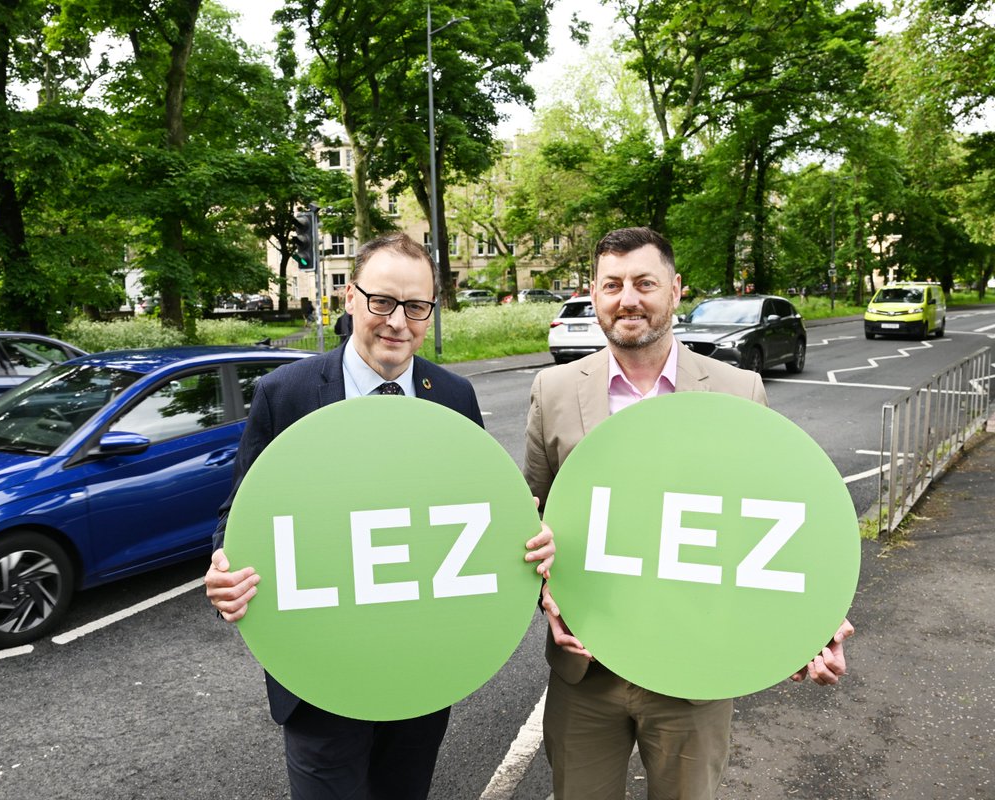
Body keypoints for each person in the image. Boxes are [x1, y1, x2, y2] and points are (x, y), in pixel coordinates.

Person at [205, 231, 555, 800]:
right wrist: (224, 567)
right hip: (319, 672)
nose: (398, 322)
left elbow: (476, 509)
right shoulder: (285, 393)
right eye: (382, 302)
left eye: (416, 307)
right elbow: (240, 514)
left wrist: (526, 538)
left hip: (420, 667)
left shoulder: (453, 395)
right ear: (350, 299)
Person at [523, 226, 854, 800]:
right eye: (613, 285)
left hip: (694, 669)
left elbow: (778, 519)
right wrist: (543, 592)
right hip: (587, 672)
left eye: (645, 283)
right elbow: (528, 525)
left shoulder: (737, 390)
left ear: (675, 290)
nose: (628, 298)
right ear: (595, 295)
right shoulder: (552, 390)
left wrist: (812, 623)